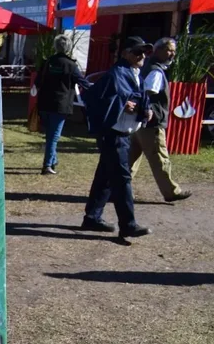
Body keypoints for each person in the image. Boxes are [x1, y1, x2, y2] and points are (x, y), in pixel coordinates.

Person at [80, 36, 153, 238]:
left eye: (144, 52)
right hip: (113, 134)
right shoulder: (116, 73)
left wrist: (146, 109)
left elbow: (135, 97)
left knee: (105, 177)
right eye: (137, 51)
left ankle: (92, 218)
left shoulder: (134, 73)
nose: (142, 55)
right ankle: (128, 224)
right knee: (122, 179)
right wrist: (123, 104)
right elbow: (94, 97)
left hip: (120, 134)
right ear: (125, 53)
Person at [129, 37, 191, 202]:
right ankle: (171, 191)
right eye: (169, 50)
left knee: (130, 159)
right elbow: (149, 92)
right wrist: (147, 109)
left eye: (173, 51)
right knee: (160, 157)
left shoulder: (146, 66)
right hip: (152, 122)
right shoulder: (156, 71)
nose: (172, 54)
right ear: (159, 50)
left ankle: (118, 189)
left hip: (138, 121)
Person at [36, 34, 91, 175]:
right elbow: (83, 82)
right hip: (61, 105)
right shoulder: (71, 65)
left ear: (55, 46)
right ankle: (47, 165)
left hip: (44, 103)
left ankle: (52, 160)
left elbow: (37, 82)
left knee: (50, 135)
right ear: (68, 47)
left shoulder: (47, 62)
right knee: (53, 136)